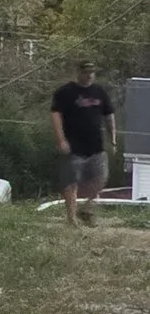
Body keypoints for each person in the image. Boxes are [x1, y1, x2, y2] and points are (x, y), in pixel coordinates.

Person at [50, 59, 116, 226]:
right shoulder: (66, 92)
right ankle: (71, 219)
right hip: (73, 145)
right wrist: (61, 140)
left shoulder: (100, 92)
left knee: (101, 178)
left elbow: (109, 115)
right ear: (78, 72)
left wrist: (112, 139)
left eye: (92, 73)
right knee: (71, 182)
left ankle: (86, 208)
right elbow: (56, 115)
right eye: (86, 72)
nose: (89, 76)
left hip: (96, 145)